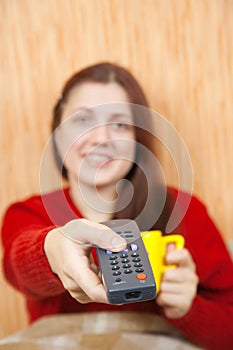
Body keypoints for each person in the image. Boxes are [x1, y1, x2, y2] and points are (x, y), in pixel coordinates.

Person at [1, 62, 233, 350]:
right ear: (57, 134)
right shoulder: (27, 214)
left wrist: (188, 309)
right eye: (83, 120)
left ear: (138, 138)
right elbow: (16, 266)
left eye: (119, 124)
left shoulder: (184, 210)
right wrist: (51, 249)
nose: (101, 139)